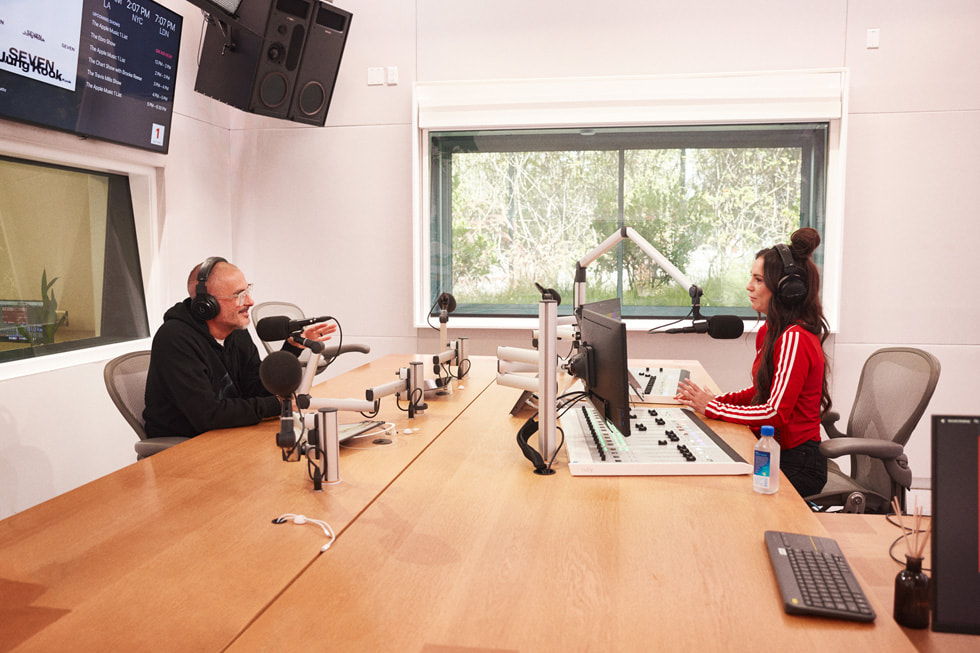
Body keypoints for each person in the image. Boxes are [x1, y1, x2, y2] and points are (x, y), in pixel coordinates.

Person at [675, 228, 830, 497]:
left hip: (798, 463)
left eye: (758, 279)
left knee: (722, 493)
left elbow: (774, 413)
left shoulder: (795, 339)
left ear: (786, 290)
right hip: (775, 450)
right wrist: (718, 401)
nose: (749, 286)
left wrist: (712, 407)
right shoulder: (771, 332)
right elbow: (760, 393)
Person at [143, 257, 335, 439]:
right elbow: (207, 415)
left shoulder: (235, 333)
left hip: (227, 434)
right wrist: (277, 404)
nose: (250, 302)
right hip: (183, 448)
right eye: (239, 295)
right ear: (206, 305)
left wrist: (292, 348)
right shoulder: (175, 339)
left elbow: (256, 389)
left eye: (248, 291)